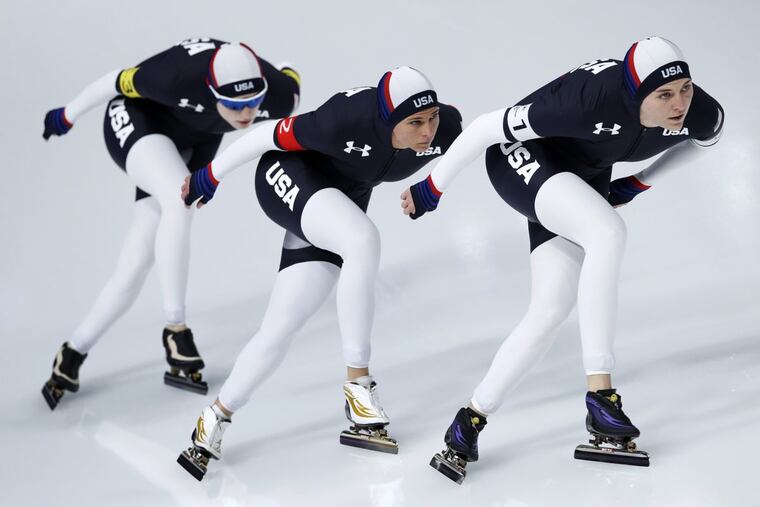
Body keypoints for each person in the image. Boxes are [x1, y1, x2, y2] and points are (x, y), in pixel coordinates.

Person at [400, 37, 724, 483]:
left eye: (685, 88)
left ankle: (467, 423)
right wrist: (430, 187)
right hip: (523, 160)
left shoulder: (699, 110)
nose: (679, 104)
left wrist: (640, 182)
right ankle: (601, 399)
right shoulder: (587, 102)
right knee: (607, 231)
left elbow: (704, 142)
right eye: (664, 95)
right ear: (634, 95)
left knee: (551, 308)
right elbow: (482, 128)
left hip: (581, 176)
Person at [176, 66, 463, 480]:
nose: (427, 132)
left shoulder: (444, 126)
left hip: (339, 200)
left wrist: (433, 186)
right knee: (363, 240)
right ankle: (358, 388)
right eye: (415, 123)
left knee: (282, 324)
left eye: (431, 118)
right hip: (287, 175)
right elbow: (265, 135)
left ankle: (212, 422)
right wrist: (211, 174)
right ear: (386, 121)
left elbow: (470, 143)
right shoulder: (342, 119)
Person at [41, 37, 301, 409]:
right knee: (180, 201)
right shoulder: (172, 78)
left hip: (195, 139)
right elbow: (114, 80)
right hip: (139, 120)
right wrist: (68, 114)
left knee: (134, 265)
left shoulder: (279, 95)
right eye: (233, 104)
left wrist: (284, 74)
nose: (245, 114)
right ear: (212, 92)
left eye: (252, 103)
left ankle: (72, 352)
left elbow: (292, 79)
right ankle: (175, 329)